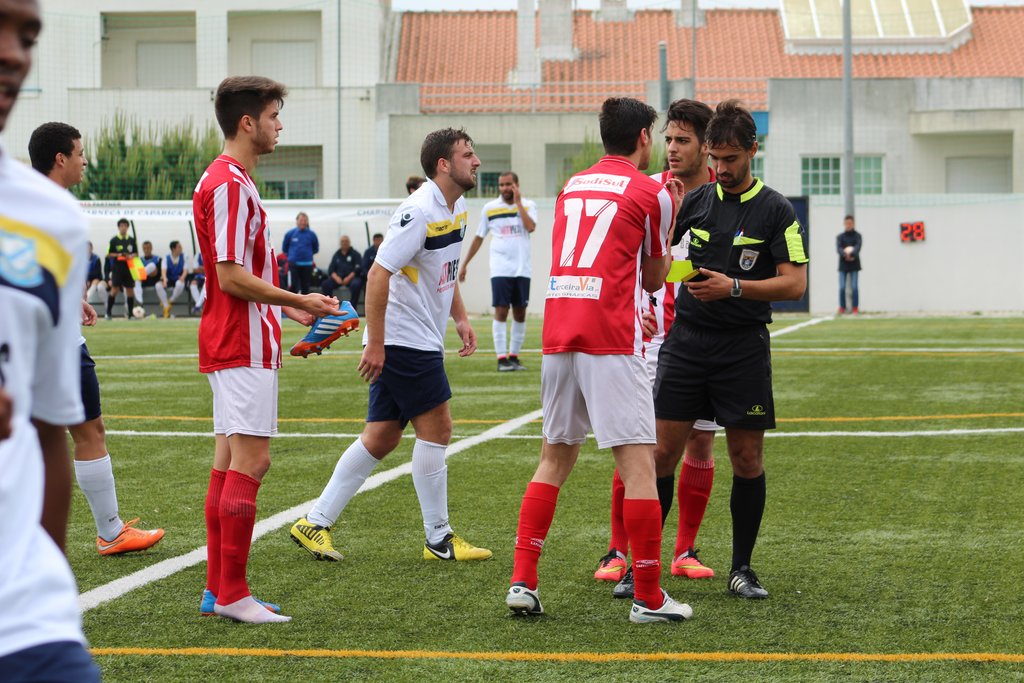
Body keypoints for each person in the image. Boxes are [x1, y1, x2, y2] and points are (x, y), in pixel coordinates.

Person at [505, 97, 691, 624]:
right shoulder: (652, 192)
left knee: (553, 458)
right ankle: (648, 597)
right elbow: (653, 278)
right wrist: (670, 221)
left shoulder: (572, 186)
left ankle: (523, 581)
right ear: (644, 138)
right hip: (610, 336)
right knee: (638, 466)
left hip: (559, 332)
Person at [290, 128, 491, 566]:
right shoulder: (417, 211)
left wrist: (459, 317)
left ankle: (314, 522)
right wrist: (377, 343)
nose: (476, 161)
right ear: (443, 164)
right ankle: (438, 538)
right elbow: (378, 274)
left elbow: (445, 268)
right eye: (467, 154)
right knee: (438, 428)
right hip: (404, 339)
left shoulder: (457, 207)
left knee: (381, 437)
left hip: (417, 337)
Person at [193, 75, 340, 624]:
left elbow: (240, 275)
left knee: (228, 462)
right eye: (274, 115)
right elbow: (230, 276)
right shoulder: (230, 183)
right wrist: (295, 297)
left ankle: (218, 590)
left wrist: (289, 310)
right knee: (253, 461)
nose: (280, 125)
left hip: (237, 335)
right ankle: (233, 594)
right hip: (239, 342)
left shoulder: (227, 178)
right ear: (247, 122)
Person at [654, 99, 808, 600]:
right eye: (715, 158)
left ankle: (741, 568)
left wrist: (734, 287)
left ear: (753, 151)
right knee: (660, 454)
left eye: (731, 159)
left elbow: (795, 284)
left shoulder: (776, 209)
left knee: (746, 457)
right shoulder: (694, 202)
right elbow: (660, 265)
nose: (721, 168)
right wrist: (673, 267)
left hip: (742, 348)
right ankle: (642, 566)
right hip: (686, 344)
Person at [0, 2, 100, 676]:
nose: (15, 52)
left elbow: (45, 432)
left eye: (28, 35)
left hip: (25, 621)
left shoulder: (52, 220)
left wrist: (48, 596)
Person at [595, 99, 721, 599]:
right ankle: (618, 550)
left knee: (702, 442)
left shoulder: (721, 198)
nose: (672, 148)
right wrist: (638, 304)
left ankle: (684, 551)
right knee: (637, 445)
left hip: (703, 338)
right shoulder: (648, 192)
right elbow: (624, 261)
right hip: (648, 338)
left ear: (706, 147)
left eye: (683, 140)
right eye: (668, 139)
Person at [28, 120, 166, 557]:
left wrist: (75, 300)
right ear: (60, 159)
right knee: (87, 432)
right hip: (55, 347)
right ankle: (110, 532)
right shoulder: (52, 209)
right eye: (80, 153)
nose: (85, 161)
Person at [458, 171, 536, 372]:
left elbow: (530, 227)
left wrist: (518, 203)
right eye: (501, 185)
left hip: (522, 269)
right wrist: (465, 264)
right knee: (501, 310)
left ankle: (514, 357)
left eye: (508, 184)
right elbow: (479, 237)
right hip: (501, 269)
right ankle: (502, 359)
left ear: (516, 185)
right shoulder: (490, 208)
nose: (504, 188)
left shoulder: (528, 205)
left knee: (520, 312)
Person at [104, 218, 138, 320]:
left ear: (127, 227)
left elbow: (136, 253)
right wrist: (119, 254)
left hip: (129, 268)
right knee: (114, 290)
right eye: (121, 226)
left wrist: (130, 256)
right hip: (117, 268)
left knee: (130, 290)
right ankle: (108, 313)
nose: (123, 228)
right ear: (118, 227)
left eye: (125, 226)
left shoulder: (131, 240)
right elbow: (108, 254)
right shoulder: (114, 240)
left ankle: (130, 315)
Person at [281, 212, 319, 294]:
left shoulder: (312, 234)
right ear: (297, 221)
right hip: (293, 265)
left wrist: (307, 254)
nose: (303, 222)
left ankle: (305, 302)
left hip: (307, 265)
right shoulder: (290, 234)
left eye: (305, 220)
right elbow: (285, 249)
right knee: (293, 286)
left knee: (305, 287)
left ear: (307, 222)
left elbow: (316, 249)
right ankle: (293, 302)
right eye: (301, 220)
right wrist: (292, 256)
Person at [322, 235, 362, 305]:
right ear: (340, 243)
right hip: (338, 278)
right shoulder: (336, 254)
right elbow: (331, 269)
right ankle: (331, 305)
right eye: (342, 241)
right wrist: (336, 278)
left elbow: (358, 268)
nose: (344, 243)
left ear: (349, 242)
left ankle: (352, 307)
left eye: (346, 241)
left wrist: (348, 278)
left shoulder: (355, 254)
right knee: (325, 284)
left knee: (356, 284)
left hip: (352, 278)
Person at [837, 214, 861, 314]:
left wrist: (851, 254)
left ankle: (855, 307)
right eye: (847, 223)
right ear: (844, 224)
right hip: (843, 265)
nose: (848, 225)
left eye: (850, 223)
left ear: (853, 224)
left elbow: (858, 247)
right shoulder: (840, 237)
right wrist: (845, 255)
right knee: (842, 287)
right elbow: (839, 248)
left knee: (854, 287)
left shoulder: (857, 236)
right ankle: (842, 308)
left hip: (854, 264)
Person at [132, 240, 164, 313]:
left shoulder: (158, 259)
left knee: (151, 265)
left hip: (154, 280)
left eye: (148, 248)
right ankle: (140, 303)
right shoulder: (139, 260)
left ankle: (140, 275)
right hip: (144, 281)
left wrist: (144, 273)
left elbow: (157, 273)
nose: (146, 250)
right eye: (145, 248)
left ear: (151, 248)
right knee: (137, 281)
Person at [161, 240, 188, 318]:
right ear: (173, 249)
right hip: (169, 279)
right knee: (158, 285)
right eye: (179, 247)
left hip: (178, 278)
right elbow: (163, 270)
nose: (181, 248)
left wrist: (182, 277)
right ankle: (166, 305)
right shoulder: (166, 258)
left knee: (180, 283)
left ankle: (170, 301)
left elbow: (185, 270)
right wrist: (165, 280)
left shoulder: (184, 256)